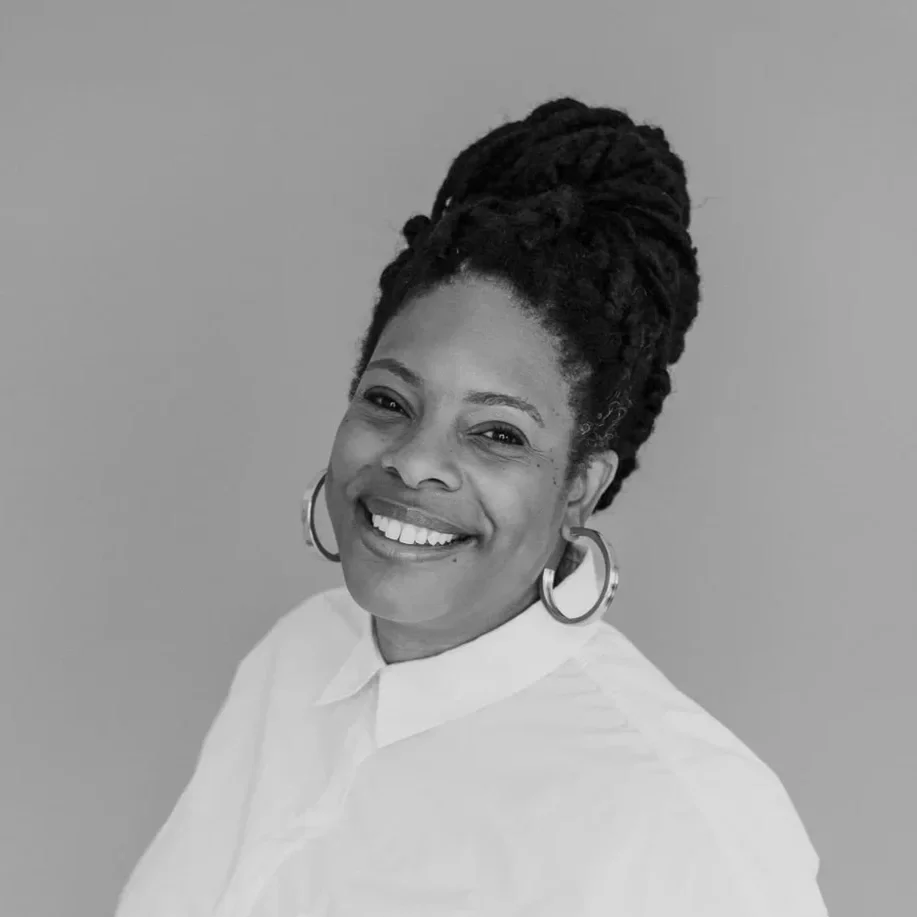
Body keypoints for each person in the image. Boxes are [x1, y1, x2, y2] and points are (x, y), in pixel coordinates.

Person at [115, 97, 829, 916]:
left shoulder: (677, 817)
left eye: (496, 433)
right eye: (388, 400)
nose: (415, 460)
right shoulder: (295, 661)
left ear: (579, 489)